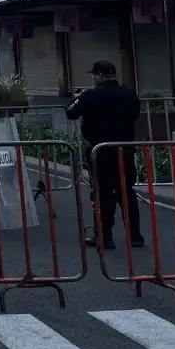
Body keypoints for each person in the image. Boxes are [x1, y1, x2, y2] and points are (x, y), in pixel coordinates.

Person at [65, 59, 144, 250]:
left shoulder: (91, 96)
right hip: (125, 149)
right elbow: (135, 115)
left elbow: (70, 112)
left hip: (101, 150)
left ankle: (104, 237)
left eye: (94, 75)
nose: (93, 78)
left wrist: (78, 97)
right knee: (127, 191)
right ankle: (135, 236)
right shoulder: (129, 95)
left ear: (100, 75)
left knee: (103, 192)